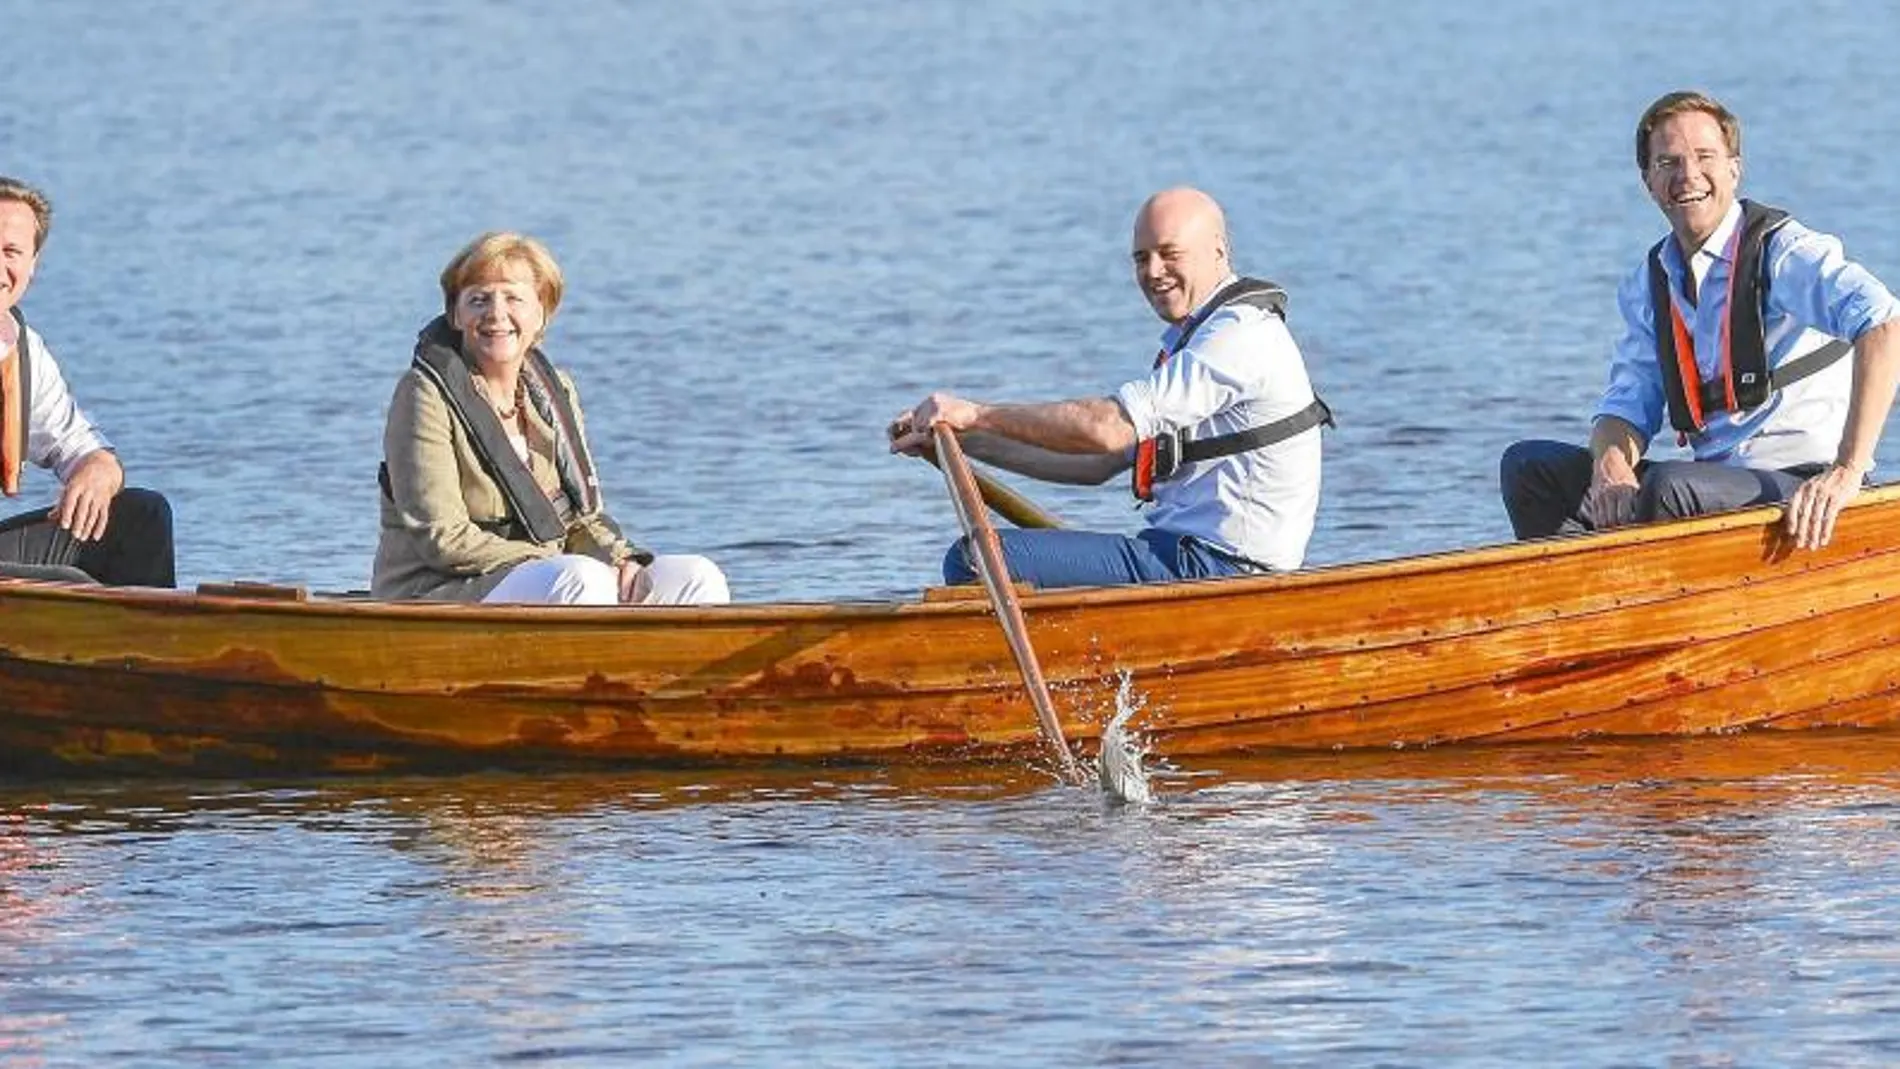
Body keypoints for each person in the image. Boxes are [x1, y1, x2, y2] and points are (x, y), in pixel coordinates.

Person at [1500, 91, 1900, 550]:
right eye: (1667, 163)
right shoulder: (1649, 284)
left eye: (1704, 156)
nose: (1687, 175)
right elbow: (1627, 407)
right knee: (1528, 467)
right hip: (1713, 487)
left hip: (1799, 484)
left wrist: (1847, 472)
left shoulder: (1784, 253)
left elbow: (1885, 323)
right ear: (1648, 181)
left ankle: (1644, 606)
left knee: (1667, 489)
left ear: (1735, 167)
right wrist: (1610, 461)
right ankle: (1578, 607)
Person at [888, 187, 1329, 589]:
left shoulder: (1239, 336)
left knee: (975, 559)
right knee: (997, 560)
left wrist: (977, 414)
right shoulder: (1196, 340)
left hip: (1219, 571)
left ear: (1219, 250)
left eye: (1169, 253)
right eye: (1141, 258)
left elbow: (1106, 429)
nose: (1153, 272)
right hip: (1184, 559)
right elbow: (1096, 463)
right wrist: (959, 441)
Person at [374, 232, 729, 605]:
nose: (496, 313)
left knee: (695, 576)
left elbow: (578, 518)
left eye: (513, 298)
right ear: (456, 315)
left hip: (548, 572)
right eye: (478, 300)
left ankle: (661, 665)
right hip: (439, 588)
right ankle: (586, 665)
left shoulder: (553, 391)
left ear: (542, 312)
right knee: (583, 579)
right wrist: (556, 560)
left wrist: (621, 560)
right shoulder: (423, 395)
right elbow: (442, 538)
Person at [0, 177, 174, 587]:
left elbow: (83, 449)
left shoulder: (22, 350)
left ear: (32, 265)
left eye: (11, 252)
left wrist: (97, 471)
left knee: (141, 516)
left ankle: (151, 648)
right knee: (69, 581)